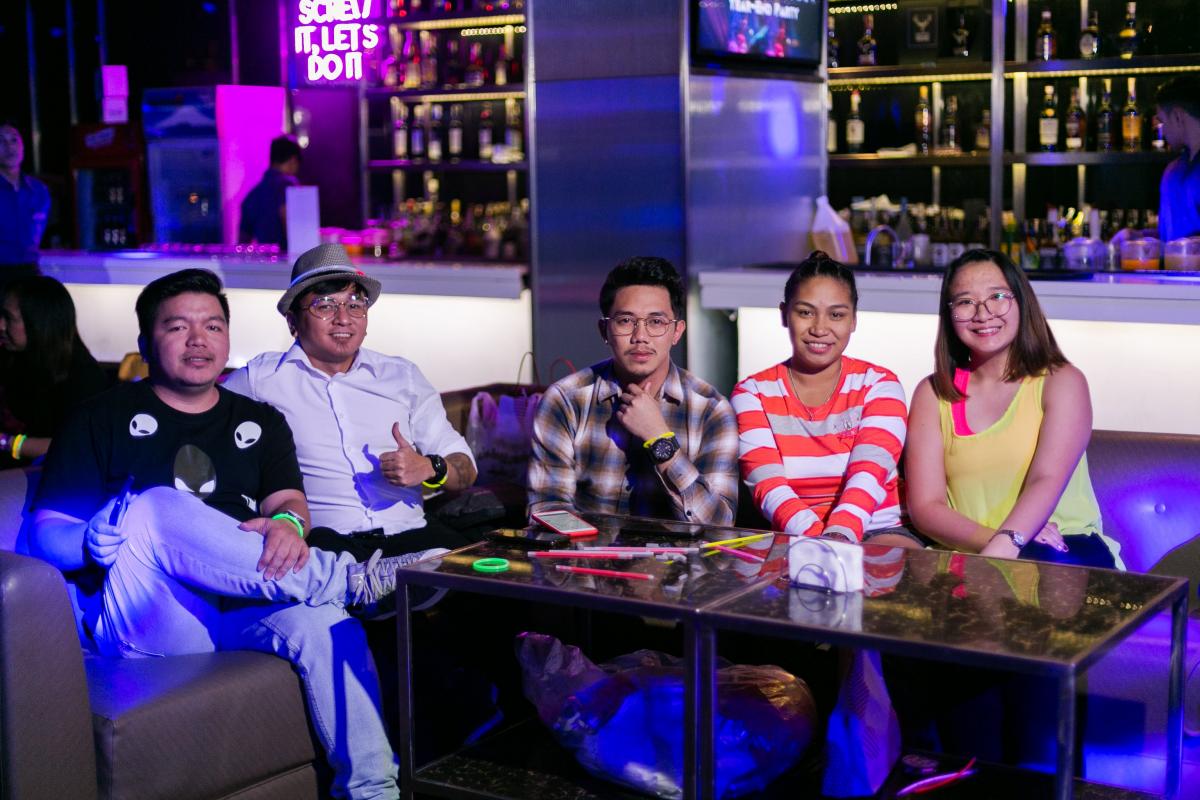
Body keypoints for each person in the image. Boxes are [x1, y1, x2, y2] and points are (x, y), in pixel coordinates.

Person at [27, 268, 415, 800]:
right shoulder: (99, 417)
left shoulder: (261, 420)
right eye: (177, 327)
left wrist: (288, 524)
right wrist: (86, 539)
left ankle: (375, 791)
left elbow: (289, 503)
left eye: (212, 326)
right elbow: (44, 532)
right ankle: (346, 579)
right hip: (153, 617)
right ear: (145, 341)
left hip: (244, 599)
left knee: (325, 623)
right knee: (155, 505)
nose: (198, 340)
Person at [224, 243, 478, 562]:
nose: (343, 319)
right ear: (292, 322)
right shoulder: (260, 380)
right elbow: (199, 413)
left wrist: (430, 467)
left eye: (355, 305)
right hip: (325, 545)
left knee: (487, 572)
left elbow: (465, 468)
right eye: (325, 305)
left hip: (413, 536)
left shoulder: (403, 377)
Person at [904, 248, 1123, 568]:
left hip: (1062, 550)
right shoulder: (933, 393)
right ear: (949, 314)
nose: (983, 314)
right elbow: (926, 507)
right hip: (971, 556)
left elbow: (1045, 478)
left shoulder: (1062, 381)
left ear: (1021, 302)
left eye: (997, 296)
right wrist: (998, 541)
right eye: (965, 302)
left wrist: (1011, 539)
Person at [528, 256, 738, 525]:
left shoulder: (711, 410)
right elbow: (547, 513)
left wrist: (660, 439)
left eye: (656, 322)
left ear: (677, 332)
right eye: (626, 321)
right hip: (586, 551)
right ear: (604, 330)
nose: (640, 336)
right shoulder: (566, 401)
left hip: (681, 553)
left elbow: (719, 525)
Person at [731, 252, 918, 548]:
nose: (819, 328)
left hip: (880, 530)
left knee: (878, 570)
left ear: (854, 320)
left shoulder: (880, 384)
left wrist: (838, 537)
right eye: (805, 312)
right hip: (795, 534)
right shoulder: (752, 393)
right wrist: (821, 543)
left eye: (836, 315)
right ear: (784, 314)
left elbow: (869, 476)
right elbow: (768, 485)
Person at [0, 275, 109, 466]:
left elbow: (78, 446)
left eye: (9, 318)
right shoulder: (12, 358)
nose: (1, 325)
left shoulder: (83, 377)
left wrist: (8, 443)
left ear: (39, 322)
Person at [0, 121, 50, 274]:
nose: (9, 146)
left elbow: (37, 236)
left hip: (30, 270)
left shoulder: (38, 190)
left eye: (14, 140)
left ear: (23, 146)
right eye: (1, 141)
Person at [1156, 75, 1200, 242]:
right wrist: (1139, 236)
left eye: (1162, 122)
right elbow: (1172, 238)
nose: (1162, 131)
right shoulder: (1173, 170)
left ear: (1177, 116)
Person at [239, 135, 301, 249]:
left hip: (265, 259)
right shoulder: (289, 186)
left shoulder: (251, 196)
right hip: (290, 258)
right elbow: (296, 231)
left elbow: (242, 244)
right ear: (293, 160)